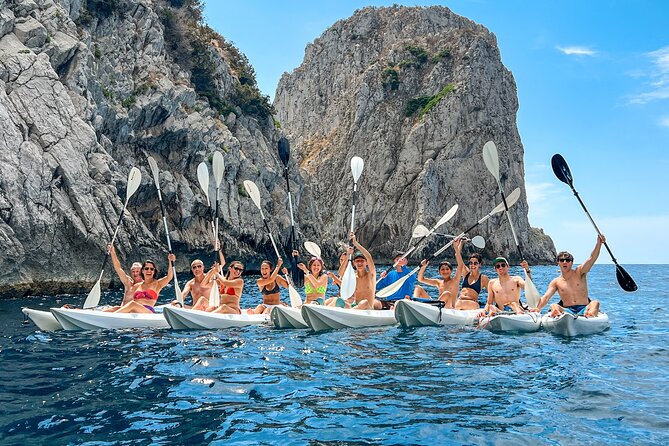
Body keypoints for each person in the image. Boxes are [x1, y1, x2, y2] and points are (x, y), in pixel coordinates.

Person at [530, 235, 605, 318]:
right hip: (567, 310)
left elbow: (592, 258)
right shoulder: (556, 282)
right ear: (558, 262)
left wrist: (599, 244)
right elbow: (546, 297)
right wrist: (537, 308)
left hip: (584, 307)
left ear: (572, 262)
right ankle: (558, 316)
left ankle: (589, 316)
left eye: (568, 260)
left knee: (595, 303)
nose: (565, 262)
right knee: (553, 306)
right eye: (562, 260)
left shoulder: (580, 272)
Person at [414, 238, 466, 308]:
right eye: (442, 269)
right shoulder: (438, 282)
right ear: (439, 272)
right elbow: (420, 279)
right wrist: (423, 267)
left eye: (447, 269)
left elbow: (460, 265)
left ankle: (435, 307)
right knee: (418, 288)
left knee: (447, 294)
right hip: (438, 306)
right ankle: (414, 305)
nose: (445, 271)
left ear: (451, 271)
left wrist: (456, 248)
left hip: (450, 308)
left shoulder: (455, 280)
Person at [337, 232, 379, 310]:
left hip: (368, 307)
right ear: (354, 263)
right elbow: (340, 273)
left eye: (362, 261)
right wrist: (348, 255)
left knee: (364, 303)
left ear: (366, 262)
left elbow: (369, 257)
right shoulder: (353, 277)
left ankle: (348, 312)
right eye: (357, 261)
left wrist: (355, 243)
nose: (359, 263)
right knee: (340, 301)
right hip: (355, 306)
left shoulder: (371, 275)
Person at [98, 244, 144, 312]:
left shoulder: (145, 284)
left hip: (135, 313)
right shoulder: (128, 282)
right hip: (121, 312)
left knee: (116, 308)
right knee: (114, 308)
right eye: (133, 271)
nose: (135, 273)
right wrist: (112, 252)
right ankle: (88, 312)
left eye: (137, 271)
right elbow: (118, 268)